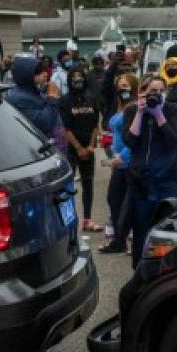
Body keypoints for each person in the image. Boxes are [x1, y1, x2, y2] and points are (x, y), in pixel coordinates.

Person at [123, 74, 177, 267]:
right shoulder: (132, 110)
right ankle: (141, 271)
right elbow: (130, 141)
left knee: (168, 229)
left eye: (161, 91)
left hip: (167, 180)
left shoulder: (172, 109)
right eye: (152, 92)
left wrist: (159, 114)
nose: (157, 96)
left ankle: (167, 270)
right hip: (142, 181)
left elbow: (175, 141)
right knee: (141, 229)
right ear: (142, 93)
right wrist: (141, 114)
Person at [59, 66, 102, 233]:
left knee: (88, 184)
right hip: (71, 148)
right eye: (74, 77)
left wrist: (91, 145)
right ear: (69, 80)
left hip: (88, 149)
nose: (78, 80)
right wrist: (78, 148)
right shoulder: (65, 101)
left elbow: (95, 124)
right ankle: (68, 221)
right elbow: (65, 128)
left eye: (80, 77)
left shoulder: (91, 98)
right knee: (68, 186)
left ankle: (87, 220)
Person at [99, 73, 138, 254]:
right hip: (117, 162)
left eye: (126, 86)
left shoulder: (136, 108)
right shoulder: (120, 106)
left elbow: (136, 137)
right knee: (113, 200)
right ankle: (119, 240)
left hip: (128, 162)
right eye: (120, 86)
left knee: (129, 204)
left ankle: (133, 240)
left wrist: (122, 156)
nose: (123, 89)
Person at [5, 54, 64, 148]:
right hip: (41, 148)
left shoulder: (34, 90)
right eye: (39, 72)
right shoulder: (19, 98)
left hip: (54, 144)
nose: (45, 74)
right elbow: (43, 123)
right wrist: (52, 97)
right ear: (26, 75)